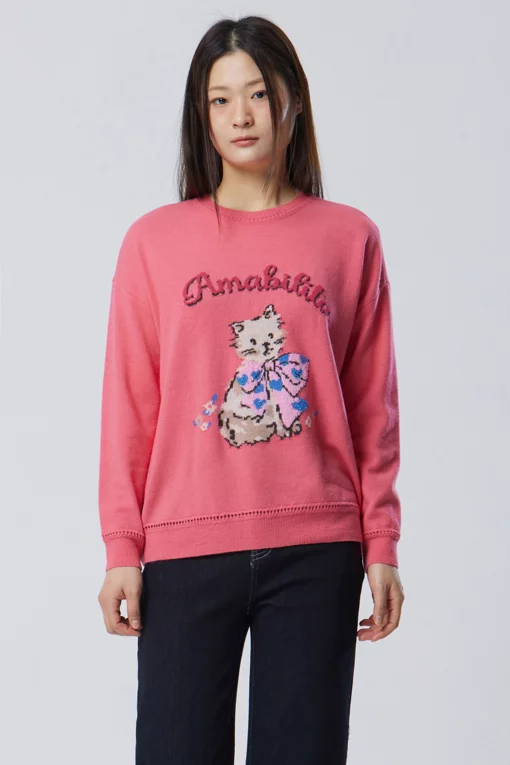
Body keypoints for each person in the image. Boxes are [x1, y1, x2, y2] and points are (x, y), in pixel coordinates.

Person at [97, 14, 405, 765]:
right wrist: (121, 546)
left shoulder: (349, 237)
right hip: (185, 549)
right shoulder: (154, 242)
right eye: (220, 99)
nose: (240, 115)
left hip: (317, 550)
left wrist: (383, 541)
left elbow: (372, 406)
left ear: (290, 99)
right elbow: (130, 404)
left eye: (258, 93)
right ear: (201, 116)